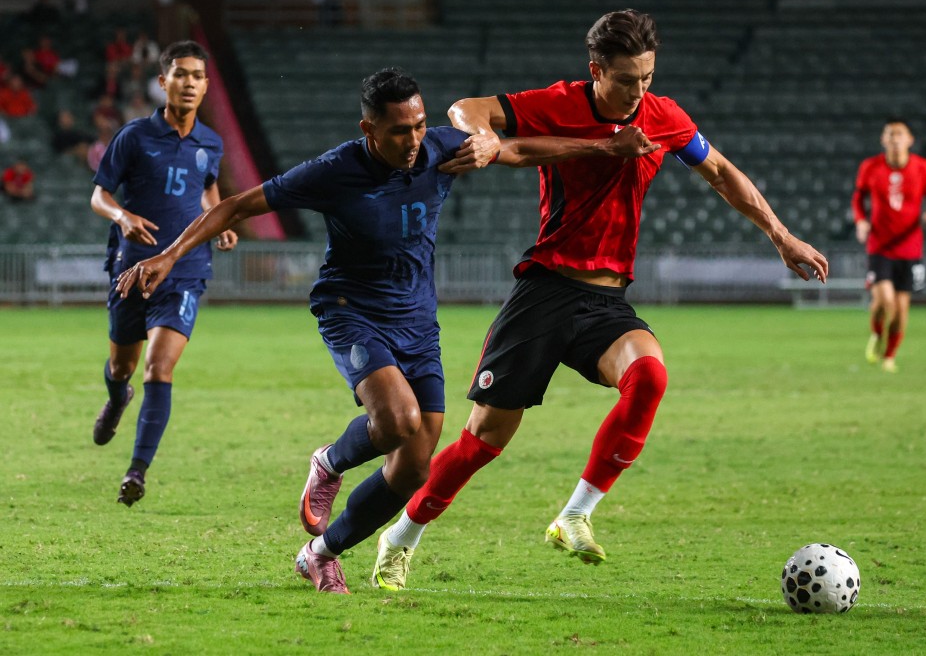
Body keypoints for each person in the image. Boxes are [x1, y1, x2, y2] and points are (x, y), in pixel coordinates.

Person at [114, 67, 658, 593]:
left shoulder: (441, 149)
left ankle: (320, 555)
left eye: (420, 125)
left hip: (417, 319)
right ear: (368, 129)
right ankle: (329, 462)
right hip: (351, 309)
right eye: (401, 130)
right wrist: (168, 256)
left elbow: (520, 150)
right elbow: (237, 205)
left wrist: (589, 146)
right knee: (397, 420)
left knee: (413, 467)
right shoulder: (334, 170)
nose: (415, 140)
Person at [369, 9, 830, 592]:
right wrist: (482, 135)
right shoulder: (560, 102)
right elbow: (469, 108)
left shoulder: (664, 117)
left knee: (650, 376)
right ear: (596, 72)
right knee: (483, 441)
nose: (641, 91)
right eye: (628, 79)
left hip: (607, 299)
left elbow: (718, 169)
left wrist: (781, 235)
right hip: (545, 290)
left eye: (648, 77)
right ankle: (401, 536)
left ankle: (575, 514)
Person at [88, 40, 238, 507]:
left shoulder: (210, 142)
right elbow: (98, 196)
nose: (189, 83)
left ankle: (137, 470)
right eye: (181, 74)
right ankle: (117, 397)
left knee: (160, 366)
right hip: (132, 268)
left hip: (186, 270)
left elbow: (208, 189)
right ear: (163, 82)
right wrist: (123, 217)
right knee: (122, 367)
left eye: (197, 76)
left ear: (205, 85)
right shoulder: (133, 137)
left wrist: (219, 224)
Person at [852, 117, 926, 373]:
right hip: (879, 246)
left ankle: (889, 356)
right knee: (884, 302)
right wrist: (860, 221)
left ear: (910, 140)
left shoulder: (923, 168)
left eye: (899, 134)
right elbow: (858, 199)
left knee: (901, 310)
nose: (894, 138)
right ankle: (877, 334)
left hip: (911, 249)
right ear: (883, 140)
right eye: (889, 134)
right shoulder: (870, 167)